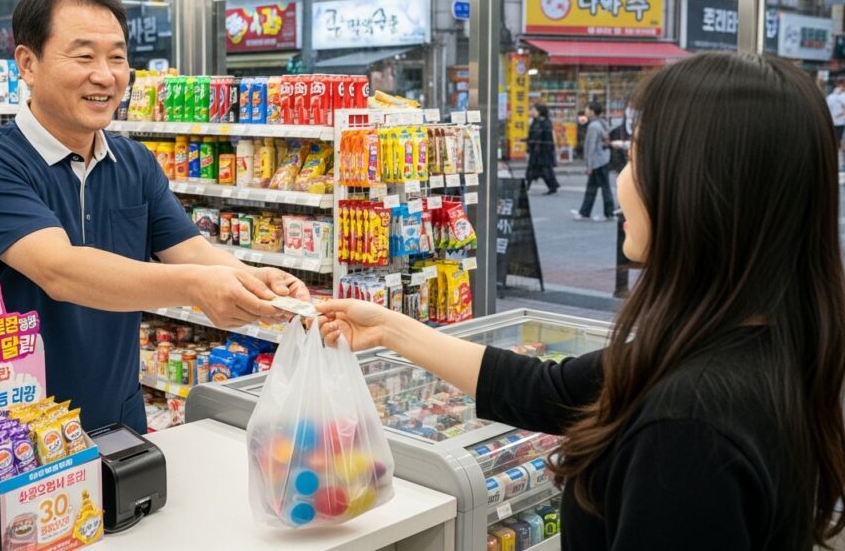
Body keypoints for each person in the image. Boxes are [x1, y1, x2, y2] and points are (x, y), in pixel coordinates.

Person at [314, 52, 845, 549]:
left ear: (701, 191)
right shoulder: (756, 341)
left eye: (636, 158)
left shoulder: (686, 435)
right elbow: (552, 390)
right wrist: (389, 329)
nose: (621, 179)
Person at [0, 0, 308, 433]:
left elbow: (192, 251)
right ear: (28, 63)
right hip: (15, 431)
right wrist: (199, 287)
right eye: (83, 56)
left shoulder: (134, 162)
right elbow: (60, 270)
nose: (105, 75)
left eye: (117, 57)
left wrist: (254, 281)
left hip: (118, 419)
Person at [571, 101, 613, 221]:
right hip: (603, 159)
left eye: (587, 109)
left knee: (603, 188)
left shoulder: (593, 126)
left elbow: (591, 146)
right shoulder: (602, 123)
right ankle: (585, 212)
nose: (585, 112)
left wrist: (589, 165)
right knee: (592, 188)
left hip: (597, 161)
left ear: (592, 112)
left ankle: (608, 213)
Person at [524, 103, 559, 195]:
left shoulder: (546, 123)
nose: (531, 112)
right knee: (533, 169)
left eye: (533, 110)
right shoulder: (535, 122)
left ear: (539, 112)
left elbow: (548, 137)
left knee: (545, 169)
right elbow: (533, 135)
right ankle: (527, 186)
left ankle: (552, 186)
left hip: (544, 151)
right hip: (536, 150)